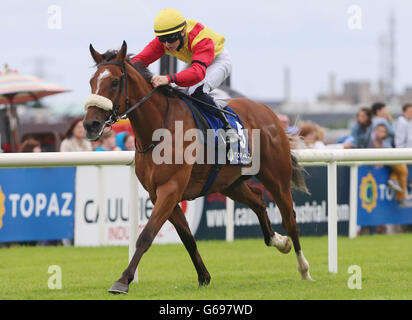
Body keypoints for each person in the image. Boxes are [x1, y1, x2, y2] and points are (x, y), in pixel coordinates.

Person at [129, 8, 240, 143]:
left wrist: (168, 78)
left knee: (195, 90)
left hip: (218, 60)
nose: (166, 44)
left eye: (170, 39)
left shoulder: (201, 39)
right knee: (176, 90)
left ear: (182, 32)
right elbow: (139, 61)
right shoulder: (166, 39)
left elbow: (197, 73)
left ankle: (227, 126)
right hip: (195, 60)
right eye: (162, 39)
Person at [368, 123, 412, 208]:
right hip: (381, 164)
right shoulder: (369, 141)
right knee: (403, 170)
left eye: (383, 131)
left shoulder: (386, 142)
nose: (381, 133)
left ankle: (393, 179)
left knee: (402, 169)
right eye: (379, 130)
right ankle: (401, 198)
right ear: (375, 131)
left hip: (388, 162)